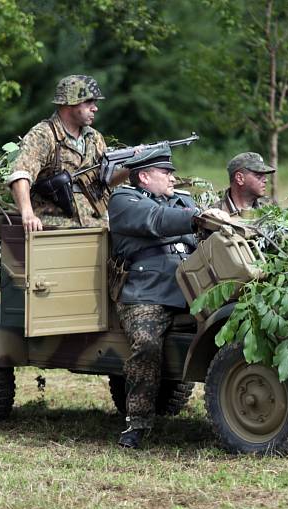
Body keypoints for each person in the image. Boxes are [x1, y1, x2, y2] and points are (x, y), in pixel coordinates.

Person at [108, 145, 230, 449]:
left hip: (193, 287)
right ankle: (137, 423)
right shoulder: (124, 200)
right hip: (146, 289)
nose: (173, 178)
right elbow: (156, 219)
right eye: (166, 173)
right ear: (145, 176)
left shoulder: (182, 200)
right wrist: (195, 219)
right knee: (146, 342)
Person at [6, 74, 107, 232]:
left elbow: (105, 181)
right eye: (88, 102)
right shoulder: (44, 135)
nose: (95, 108)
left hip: (95, 226)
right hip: (56, 228)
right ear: (69, 103)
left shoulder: (94, 138)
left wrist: (130, 166)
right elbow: (20, 174)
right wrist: (27, 215)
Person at [212, 152, 276, 216]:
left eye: (264, 175)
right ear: (239, 178)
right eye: (258, 175)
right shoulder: (216, 215)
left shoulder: (269, 212)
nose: (265, 180)